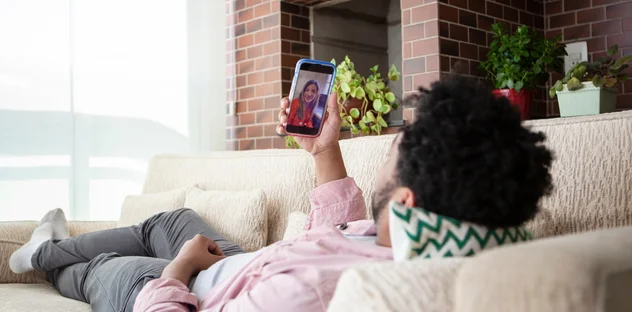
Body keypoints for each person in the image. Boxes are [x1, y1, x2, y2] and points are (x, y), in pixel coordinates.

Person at [9, 76, 553, 312]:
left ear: (407, 204)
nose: (387, 147)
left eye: (393, 152)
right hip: (244, 264)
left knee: (107, 265)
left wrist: (177, 269)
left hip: (187, 288)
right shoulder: (410, 245)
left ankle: (45, 255)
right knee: (167, 218)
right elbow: (333, 240)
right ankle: (52, 244)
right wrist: (323, 150)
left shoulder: (312, 300)